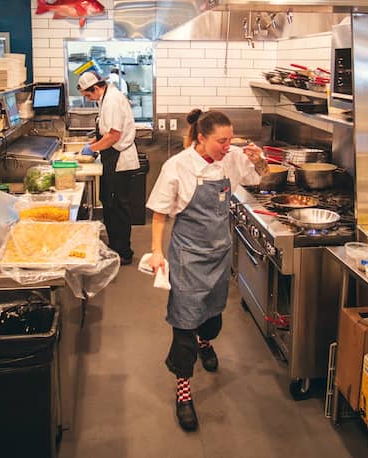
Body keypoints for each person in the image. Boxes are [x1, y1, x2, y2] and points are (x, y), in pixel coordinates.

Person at [145, 109, 268, 432]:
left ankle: (206, 342)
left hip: (219, 255)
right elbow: (159, 213)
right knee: (184, 322)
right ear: (201, 138)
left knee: (212, 316)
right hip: (188, 258)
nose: (228, 146)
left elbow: (260, 176)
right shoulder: (178, 166)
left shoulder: (231, 158)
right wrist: (157, 252)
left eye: (230, 139)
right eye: (221, 141)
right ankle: (183, 390)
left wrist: (259, 160)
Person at [78, 70, 139, 264]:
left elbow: (114, 136)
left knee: (118, 207)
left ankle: (123, 253)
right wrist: (94, 143)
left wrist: (91, 149)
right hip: (112, 157)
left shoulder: (112, 100)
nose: (88, 99)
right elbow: (106, 132)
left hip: (120, 160)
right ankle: (116, 247)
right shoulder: (104, 98)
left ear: (96, 88)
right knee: (110, 204)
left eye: (88, 95)